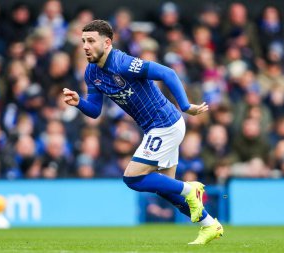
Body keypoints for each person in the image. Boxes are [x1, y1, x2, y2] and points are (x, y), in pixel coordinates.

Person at [63, 20, 223, 245]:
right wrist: (80, 102)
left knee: (132, 178)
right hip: (156, 128)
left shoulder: (122, 63)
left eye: (91, 41)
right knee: (165, 189)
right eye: (83, 42)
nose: (85, 46)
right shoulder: (91, 73)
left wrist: (186, 106)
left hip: (165, 123)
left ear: (107, 43)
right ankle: (209, 225)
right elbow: (95, 111)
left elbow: (167, 73)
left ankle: (191, 188)